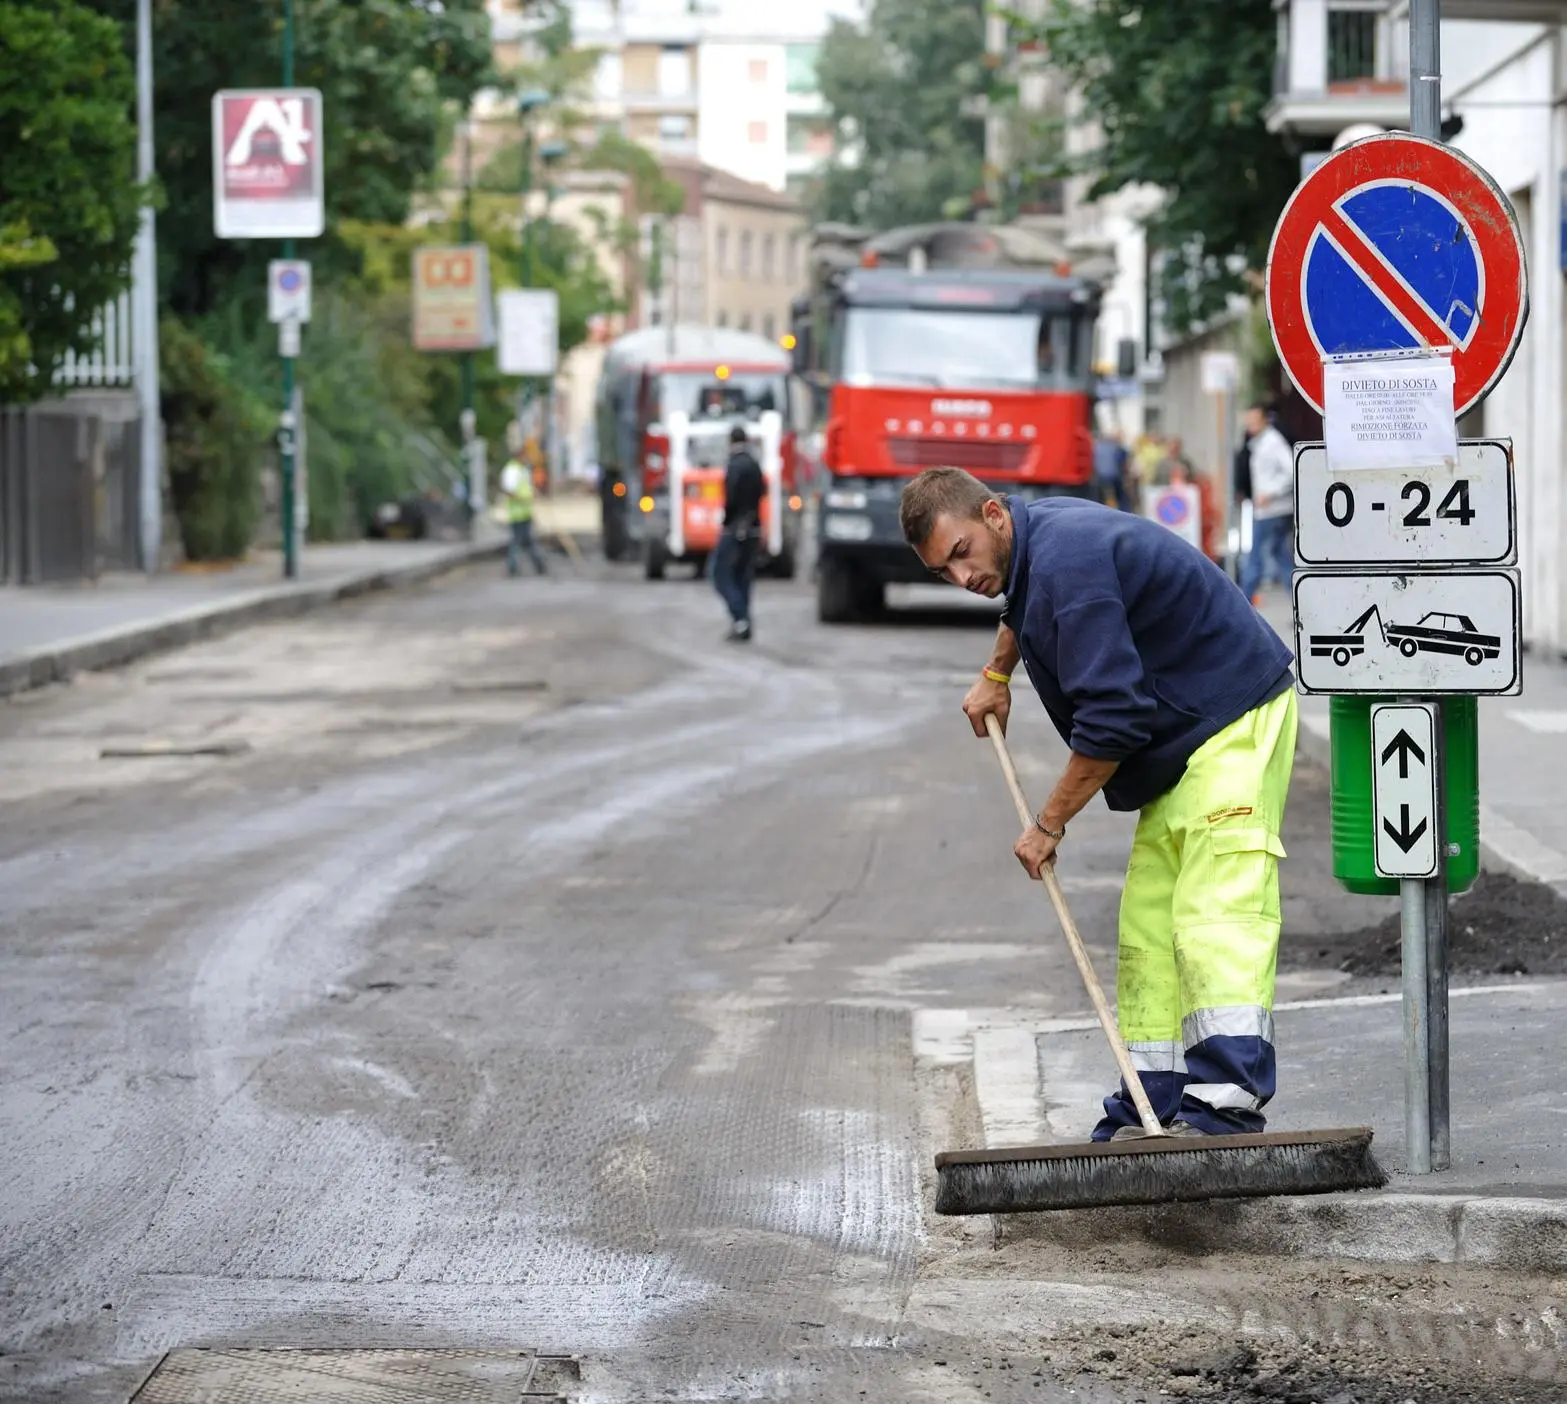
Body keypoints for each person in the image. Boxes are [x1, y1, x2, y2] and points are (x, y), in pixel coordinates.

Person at [900, 467, 1297, 1140]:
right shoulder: (1030, 545)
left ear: (993, 515)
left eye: (960, 554)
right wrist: (997, 672)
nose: (961, 579)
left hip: (1232, 715)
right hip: (1179, 741)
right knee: (1147, 928)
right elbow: (1025, 603)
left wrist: (1047, 823)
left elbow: (1113, 721)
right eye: (943, 572)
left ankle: (1223, 1106)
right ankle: (1153, 1099)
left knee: (1214, 916)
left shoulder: (1067, 560)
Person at [1240, 402, 1295, 606]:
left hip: (1272, 510)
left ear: (1264, 420)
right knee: (1281, 556)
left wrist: (1269, 494)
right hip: (1269, 509)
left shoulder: (1272, 442)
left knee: (1255, 557)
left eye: (1254, 420)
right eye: (1248, 421)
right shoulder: (1258, 442)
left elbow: (1291, 471)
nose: (1250, 425)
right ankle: (1301, 603)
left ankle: (1242, 604)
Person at [712, 425, 764, 641]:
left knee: (718, 573)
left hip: (735, 529)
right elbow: (763, 491)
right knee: (743, 576)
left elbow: (731, 497)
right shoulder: (754, 464)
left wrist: (727, 521)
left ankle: (740, 617)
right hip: (753, 528)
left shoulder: (734, 465)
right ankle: (744, 624)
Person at [498, 451, 547, 578]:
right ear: (519, 456)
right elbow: (509, 490)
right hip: (517, 513)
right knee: (517, 541)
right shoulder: (512, 470)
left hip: (525, 512)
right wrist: (522, 499)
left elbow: (526, 489)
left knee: (527, 540)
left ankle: (539, 565)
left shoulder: (522, 470)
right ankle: (514, 567)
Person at [1091, 428, 1132, 512]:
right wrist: (1127, 478)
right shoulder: (1118, 448)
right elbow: (1123, 465)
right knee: (1122, 498)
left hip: (1100, 476)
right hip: (1115, 476)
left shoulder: (1097, 447)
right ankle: (1124, 513)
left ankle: (1098, 512)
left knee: (1100, 497)